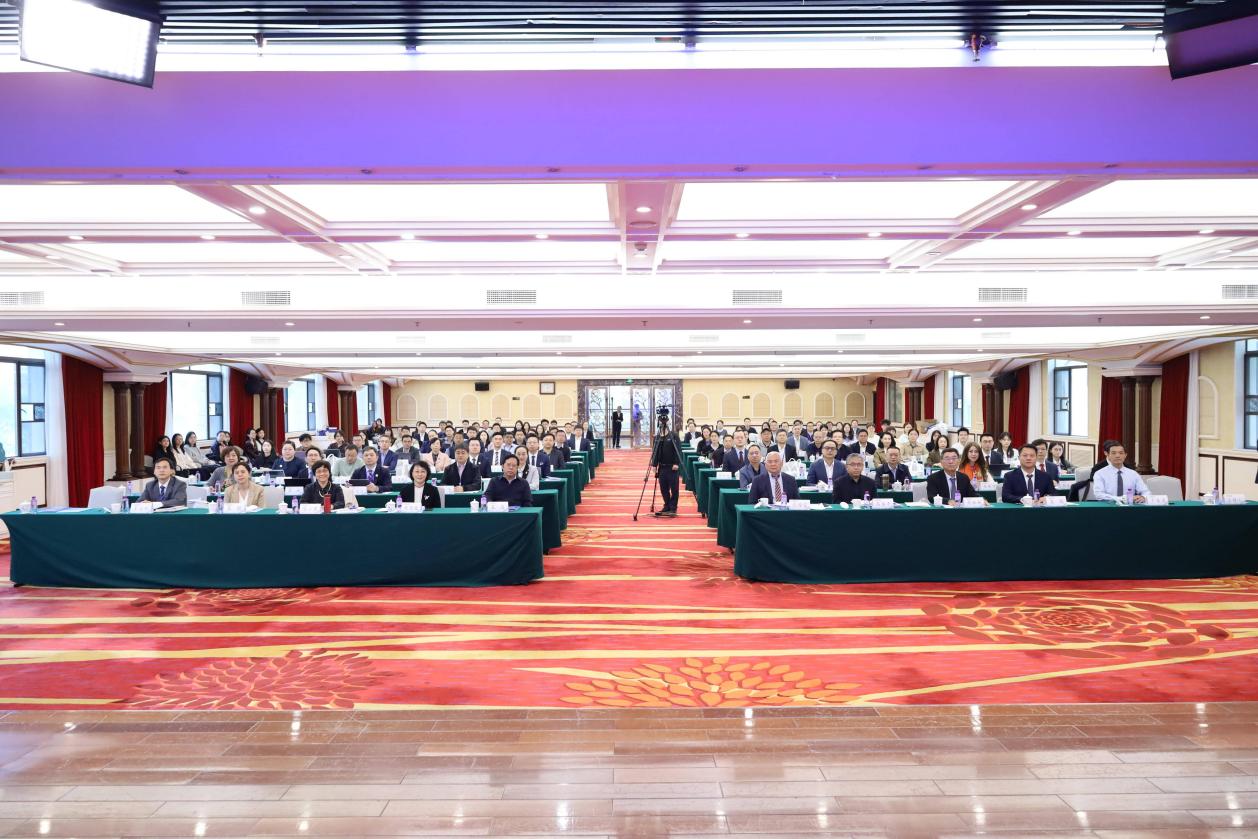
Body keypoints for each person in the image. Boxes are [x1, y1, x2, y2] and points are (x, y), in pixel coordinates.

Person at [651, 419, 682, 517]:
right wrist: (654, 464)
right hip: (662, 467)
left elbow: (678, 450)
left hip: (672, 467)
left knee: (674, 488)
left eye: (664, 423)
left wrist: (676, 463)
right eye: (660, 423)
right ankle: (667, 505)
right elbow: (655, 452)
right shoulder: (657, 437)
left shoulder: (674, 436)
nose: (662, 424)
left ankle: (673, 507)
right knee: (663, 488)